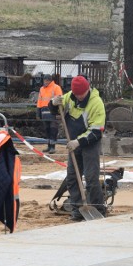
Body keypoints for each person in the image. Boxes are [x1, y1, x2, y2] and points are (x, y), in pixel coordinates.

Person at [51, 74, 106, 221]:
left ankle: (98, 207)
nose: (79, 97)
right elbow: (58, 110)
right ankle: (77, 208)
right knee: (72, 177)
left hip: (90, 143)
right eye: (76, 94)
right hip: (73, 143)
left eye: (81, 94)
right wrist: (53, 104)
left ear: (87, 89)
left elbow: (96, 131)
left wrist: (78, 142)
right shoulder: (70, 97)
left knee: (91, 177)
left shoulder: (96, 103)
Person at [36, 73, 62, 153]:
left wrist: (58, 113)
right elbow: (39, 101)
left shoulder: (56, 88)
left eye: (47, 80)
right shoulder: (42, 89)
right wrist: (38, 112)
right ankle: (49, 146)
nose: (46, 82)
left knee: (53, 130)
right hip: (44, 113)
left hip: (53, 112)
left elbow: (60, 99)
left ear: (50, 81)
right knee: (47, 130)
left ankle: (52, 147)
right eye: (45, 80)